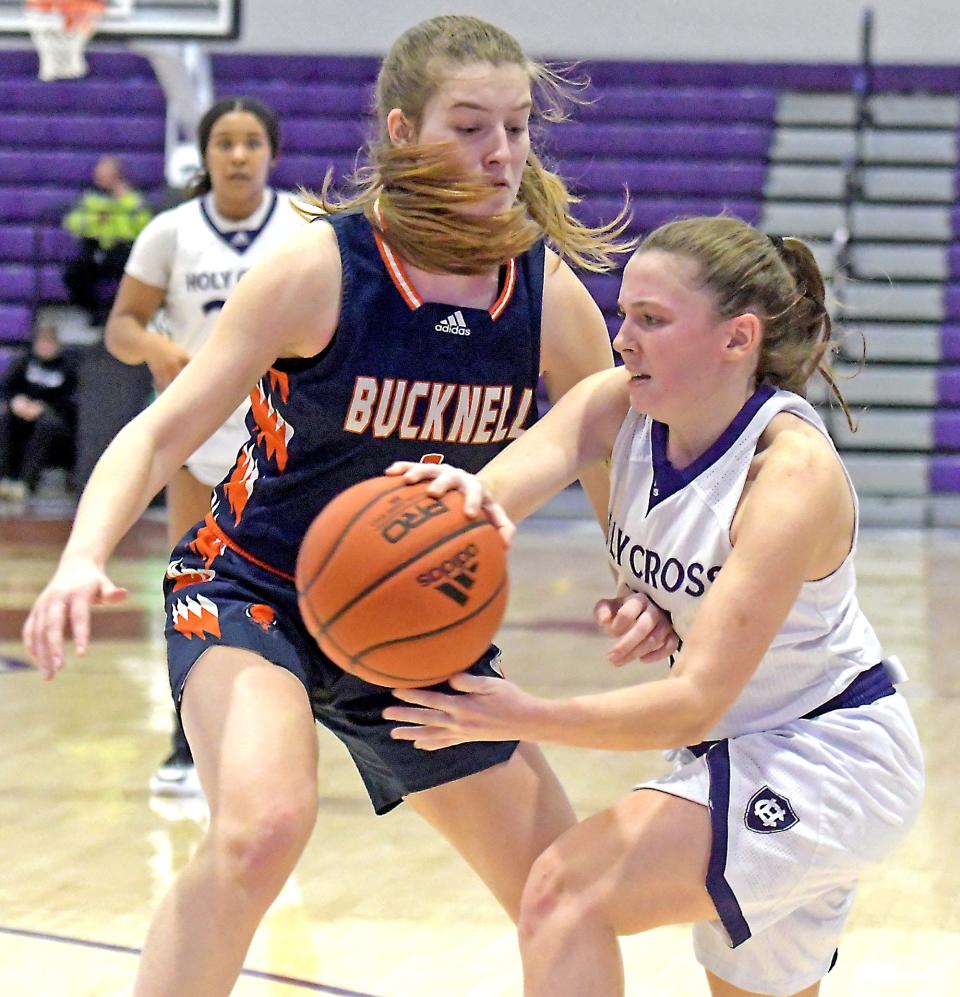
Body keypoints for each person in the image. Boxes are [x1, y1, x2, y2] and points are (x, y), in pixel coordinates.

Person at [21, 17, 674, 996]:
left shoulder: (547, 293)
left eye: (518, 126)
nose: (501, 151)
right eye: (470, 126)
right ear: (404, 132)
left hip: (413, 617)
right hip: (254, 589)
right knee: (263, 827)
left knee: (560, 887)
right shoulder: (320, 267)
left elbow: (605, 449)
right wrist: (81, 557)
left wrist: (639, 570)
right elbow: (160, 431)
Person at [383, 216, 926, 997]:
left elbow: (688, 703)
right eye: (622, 314)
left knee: (562, 892)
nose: (624, 338)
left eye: (652, 319)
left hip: (826, 757)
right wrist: (423, 522)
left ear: (737, 339)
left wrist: (515, 712)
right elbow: (490, 496)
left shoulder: (789, 476)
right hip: (740, 749)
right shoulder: (617, 406)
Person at [104, 96, 306, 798]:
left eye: (253, 142)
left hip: (282, 434)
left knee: (289, 591)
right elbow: (120, 326)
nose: (240, 155)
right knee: (191, 588)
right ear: (206, 154)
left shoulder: (306, 225)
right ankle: (185, 741)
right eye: (226, 142)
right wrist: (158, 347)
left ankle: (287, 734)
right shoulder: (171, 231)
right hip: (198, 430)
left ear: (272, 153)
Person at [62, 155, 153, 325]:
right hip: (95, 246)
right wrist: (96, 221)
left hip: (124, 248)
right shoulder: (89, 197)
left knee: (136, 275)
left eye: (106, 175)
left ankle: (122, 315)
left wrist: (121, 202)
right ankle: (95, 314)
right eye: (99, 175)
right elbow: (72, 222)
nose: (100, 179)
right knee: (73, 275)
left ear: (118, 176)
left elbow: (143, 225)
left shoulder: (133, 199)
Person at [0, 318, 77, 502]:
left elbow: (70, 400)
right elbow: (9, 388)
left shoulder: (66, 367)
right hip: (21, 411)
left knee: (46, 425)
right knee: (4, 418)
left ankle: (26, 483)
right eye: (42, 342)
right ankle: (4, 477)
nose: (45, 347)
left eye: (49, 343)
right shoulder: (24, 362)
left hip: (51, 416)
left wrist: (43, 407)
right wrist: (16, 401)